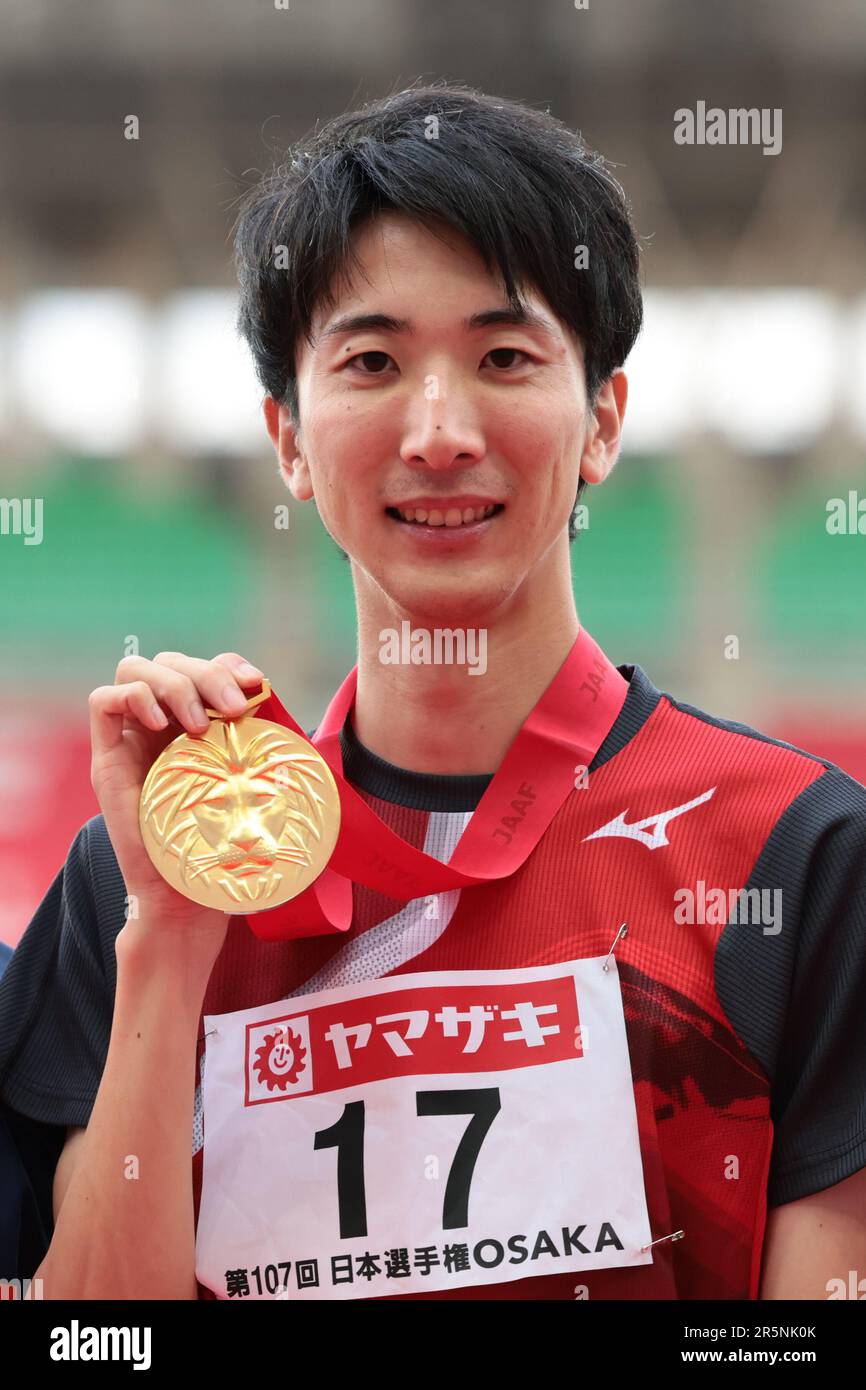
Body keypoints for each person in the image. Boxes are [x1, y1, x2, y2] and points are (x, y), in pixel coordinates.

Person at [1, 80, 865, 1302]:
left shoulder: (801, 854)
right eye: (371, 361)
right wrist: (173, 938)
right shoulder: (131, 878)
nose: (439, 429)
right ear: (288, 440)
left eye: (504, 355)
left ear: (603, 419)